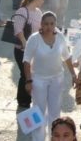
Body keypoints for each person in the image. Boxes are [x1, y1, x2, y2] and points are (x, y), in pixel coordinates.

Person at [23, 12, 76, 141]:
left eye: (52, 23)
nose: (49, 26)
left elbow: (67, 57)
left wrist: (74, 74)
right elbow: (26, 61)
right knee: (38, 112)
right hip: (38, 80)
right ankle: (38, 139)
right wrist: (28, 80)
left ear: (55, 24)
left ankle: (55, 137)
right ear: (41, 24)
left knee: (55, 112)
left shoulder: (60, 37)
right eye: (46, 24)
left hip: (57, 79)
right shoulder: (34, 39)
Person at [13, 0, 44, 108]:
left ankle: (28, 98)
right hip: (22, 49)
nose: (42, 1)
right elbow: (18, 30)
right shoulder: (22, 11)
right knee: (25, 74)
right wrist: (25, 44)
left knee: (31, 74)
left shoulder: (38, 12)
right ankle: (23, 100)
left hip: (34, 49)